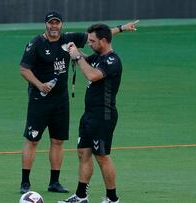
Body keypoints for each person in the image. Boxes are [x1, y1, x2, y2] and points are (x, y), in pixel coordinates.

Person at [19, 10, 138, 194]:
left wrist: (122, 28)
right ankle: (26, 182)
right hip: (40, 100)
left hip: (64, 101)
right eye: (51, 23)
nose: (53, 26)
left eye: (57, 22)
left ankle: (56, 183)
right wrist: (40, 85)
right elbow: (24, 69)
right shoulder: (36, 44)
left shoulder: (71, 40)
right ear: (45, 24)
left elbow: (100, 38)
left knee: (60, 141)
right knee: (35, 140)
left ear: (61, 24)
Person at [59, 23, 128, 203]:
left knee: (102, 156)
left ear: (103, 41)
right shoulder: (98, 57)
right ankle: (81, 196)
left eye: (92, 41)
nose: (89, 43)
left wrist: (77, 57)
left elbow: (92, 75)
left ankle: (112, 199)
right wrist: (75, 52)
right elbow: (86, 61)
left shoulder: (112, 60)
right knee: (83, 152)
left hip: (103, 115)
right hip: (89, 114)